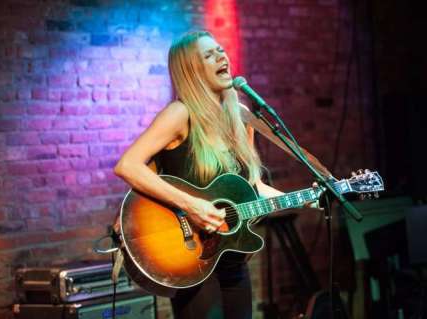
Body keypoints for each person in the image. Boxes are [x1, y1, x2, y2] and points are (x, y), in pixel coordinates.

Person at [114, 30, 318, 319]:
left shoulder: (240, 117)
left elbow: (254, 188)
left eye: (221, 50)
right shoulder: (179, 114)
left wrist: (307, 198)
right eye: (208, 55)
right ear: (191, 69)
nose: (221, 56)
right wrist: (192, 205)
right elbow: (128, 165)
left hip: (231, 257)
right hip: (190, 255)